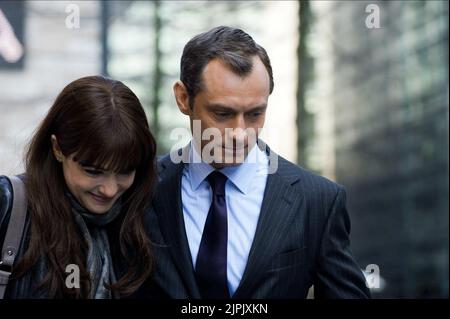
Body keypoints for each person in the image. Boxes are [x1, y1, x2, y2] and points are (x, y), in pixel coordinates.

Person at [146, 26, 371, 299]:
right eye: (222, 113)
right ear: (183, 99)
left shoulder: (318, 201)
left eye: (255, 114)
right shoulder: (141, 188)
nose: (240, 133)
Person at [0, 75, 157, 298]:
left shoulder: (142, 220)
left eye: (125, 171)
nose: (110, 190)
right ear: (57, 148)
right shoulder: (8, 205)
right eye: (93, 171)